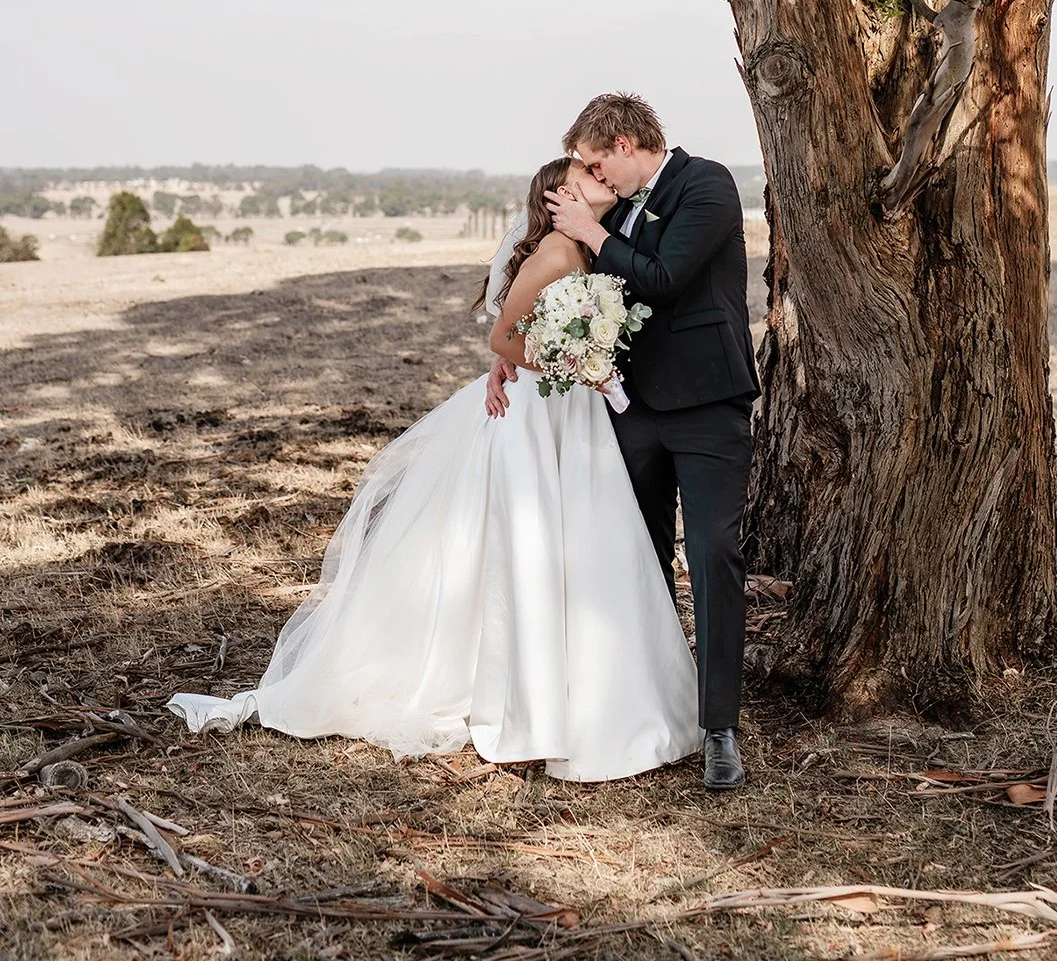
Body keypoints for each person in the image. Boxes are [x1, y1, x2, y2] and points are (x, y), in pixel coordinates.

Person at [167, 156, 699, 782]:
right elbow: (505, 340)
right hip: (534, 414)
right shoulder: (555, 254)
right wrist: (576, 360)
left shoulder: (595, 248)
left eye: (601, 174)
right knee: (528, 549)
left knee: (583, 545)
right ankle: (529, 708)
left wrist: (584, 356)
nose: (601, 182)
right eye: (585, 177)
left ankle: (599, 691)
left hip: (570, 413)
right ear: (558, 198)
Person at [487, 95, 757, 790]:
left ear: (628, 142)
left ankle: (719, 726)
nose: (587, 173)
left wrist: (590, 230)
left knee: (714, 551)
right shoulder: (601, 218)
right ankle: (653, 703)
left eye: (593, 158)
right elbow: (558, 298)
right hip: (625, 411)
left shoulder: (706, 185)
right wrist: (515, 352)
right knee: (636, 559)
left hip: (705, 404)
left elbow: (665, 280)